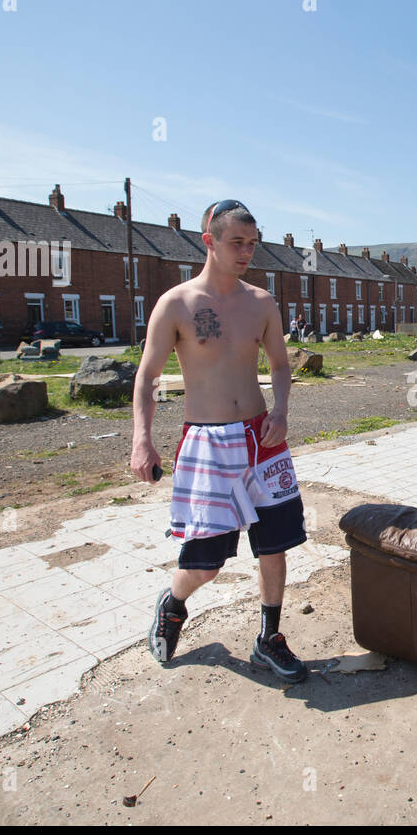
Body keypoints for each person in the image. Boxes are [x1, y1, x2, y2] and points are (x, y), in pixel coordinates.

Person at [130, 199, 308, 682]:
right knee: (207, 560)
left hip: (262, 437)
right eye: (237, 243)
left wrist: (282, 412)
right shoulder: (177, 304)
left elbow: (280, 365)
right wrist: (141, 440)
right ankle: (173, 602)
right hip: (208, 443)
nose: (247, 252)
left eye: (253, 244)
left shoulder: (261, 302)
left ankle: (269, 638)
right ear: (208, 241)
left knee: (276, 545)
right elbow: (146, 378)